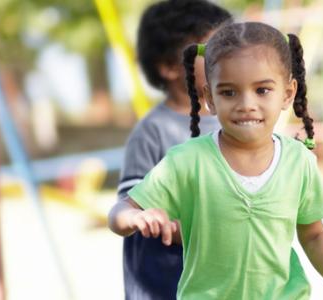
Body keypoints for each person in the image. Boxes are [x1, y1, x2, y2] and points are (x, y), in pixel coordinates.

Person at [109, 22, 323, 299]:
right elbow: (119, 213)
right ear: (209, 98)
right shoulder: (187, 161)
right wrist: (136, 216)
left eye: (262, 90)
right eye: (229, 92)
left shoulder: (299, 161)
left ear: (287, 94)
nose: (246, 104)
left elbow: (314, 234)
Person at [115, 1, 232, 299]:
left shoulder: (239, 120)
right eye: (211, 49)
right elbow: (126, 208)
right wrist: (142, 218)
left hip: (225, 277)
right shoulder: (153, 131)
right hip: (168, 281)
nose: (228, 57)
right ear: (168, 67)